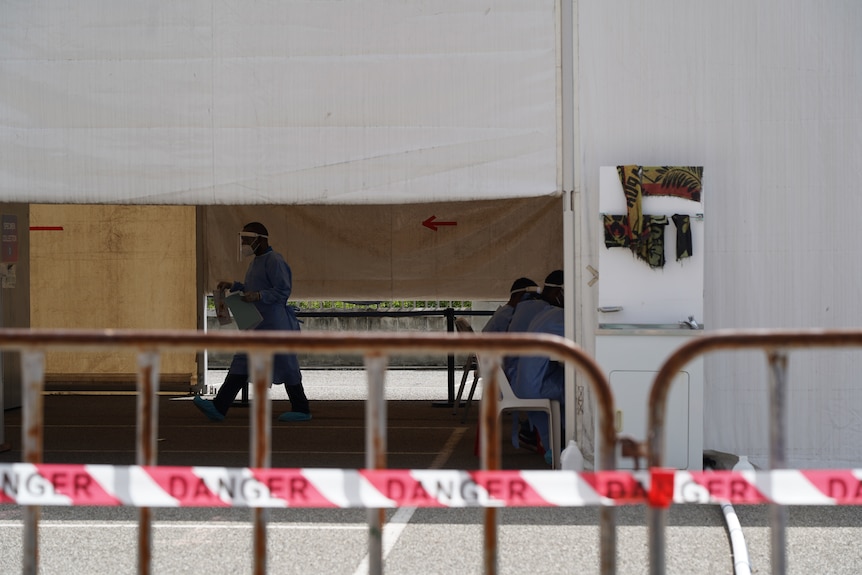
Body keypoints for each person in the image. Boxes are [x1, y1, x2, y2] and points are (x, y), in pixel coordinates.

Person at [194, 222, 311, 422]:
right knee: (242, 361)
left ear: (259, 239)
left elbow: (283, 290)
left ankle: (301, 408)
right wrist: (235, 286)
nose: (243, 244)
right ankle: (219, 406)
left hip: (274, 324)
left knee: (286, 364)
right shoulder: (257, 261)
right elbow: (253, 286)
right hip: (259, 323)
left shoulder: (274, 260)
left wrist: (258, 296)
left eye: (246, 240)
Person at [513, 303, 566, 466]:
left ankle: (556, 444)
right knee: (575, 389)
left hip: (521, 381)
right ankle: (570, 443)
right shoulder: (562, 319)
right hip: (534, 386)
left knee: (566, 381)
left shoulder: (544, 314)